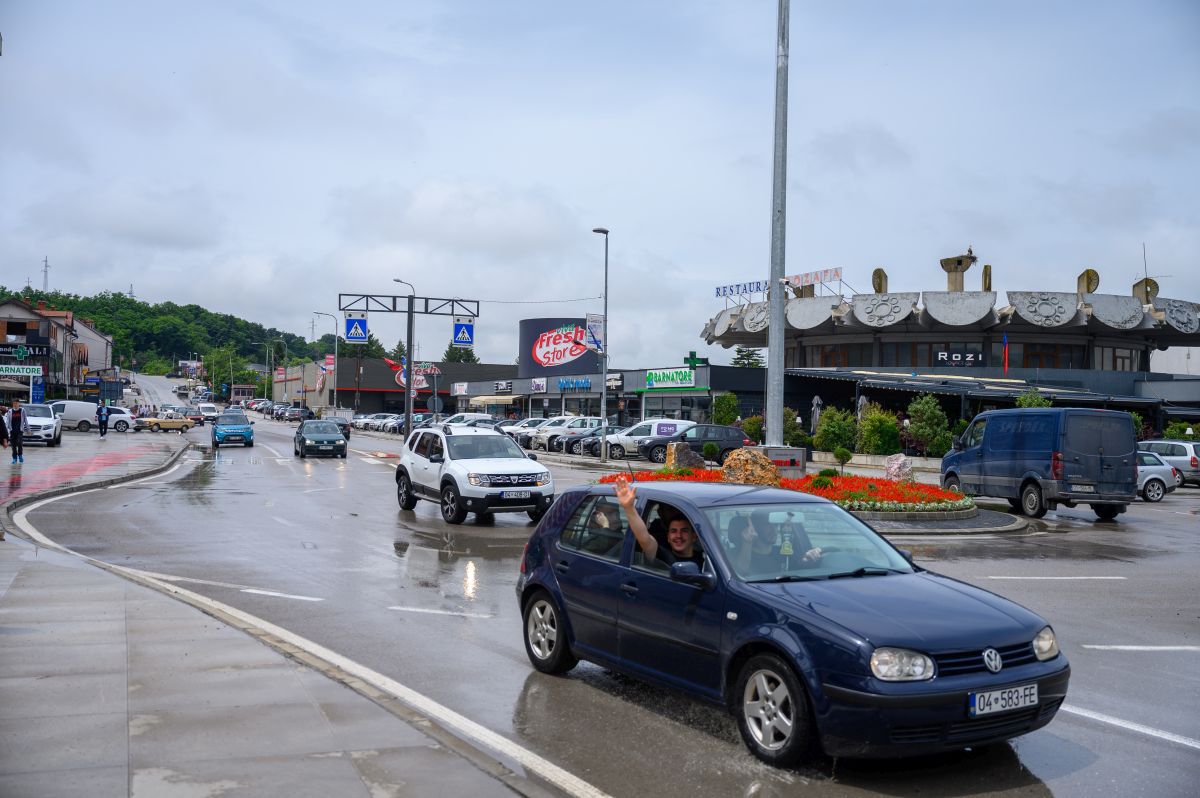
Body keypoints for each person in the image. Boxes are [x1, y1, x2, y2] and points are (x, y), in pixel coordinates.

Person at [614, 478, 704, 568]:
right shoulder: (662, 556)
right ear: (668, 537)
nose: (678, 535)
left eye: (684, 530)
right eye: (673, 531)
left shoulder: (706, 559)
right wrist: (629, 508)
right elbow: (644, 538)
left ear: (694, 536)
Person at [728, 509, 821, 577]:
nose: (774, 529)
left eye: (775, 525)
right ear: (755, 527)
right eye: (768, 524)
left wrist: (811, 555)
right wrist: (747, 543)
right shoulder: (734, 554)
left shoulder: (783, 553)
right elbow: (741, 572)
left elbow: (799, 568)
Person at [4, 399, 30, 464]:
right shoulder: (10, 411)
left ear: (18, 404)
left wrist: (28, 430)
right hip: (12, 431)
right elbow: (7, 422)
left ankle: (20, 455)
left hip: (20, 431)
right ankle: (14, 458)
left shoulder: (22, 410)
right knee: (13, 446)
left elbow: (25, 420)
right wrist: (6, 431)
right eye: (13, 403)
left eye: (16, 403)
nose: (15, 405)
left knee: (19, 443)